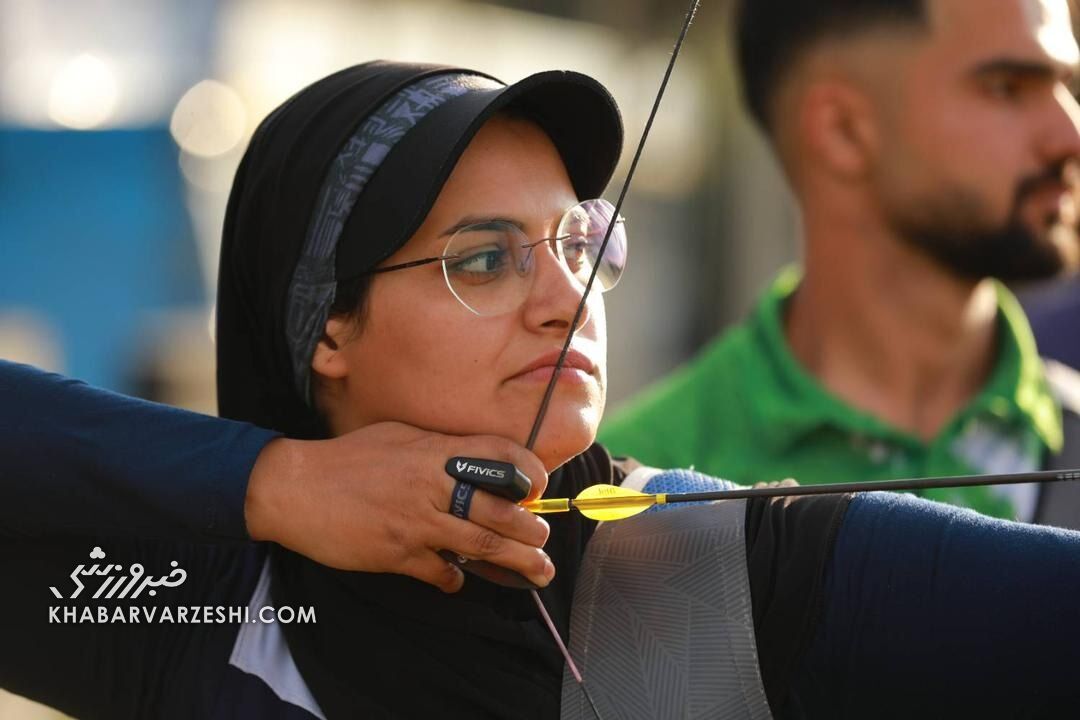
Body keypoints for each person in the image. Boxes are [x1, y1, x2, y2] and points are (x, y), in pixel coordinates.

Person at [0, 59, 1078, 720]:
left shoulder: (738, 571)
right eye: (484, 259)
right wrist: (273, 483)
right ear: (328, 330)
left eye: (579, 243)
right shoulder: (202, 613)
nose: (567, 297)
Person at [600, 0, 1080, 523]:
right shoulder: (625, 496)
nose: (1070, 135)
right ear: (842, 129)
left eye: (1068, 87)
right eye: (1007, 87)